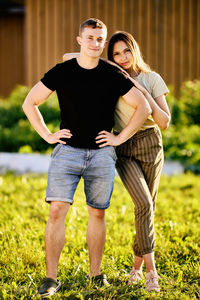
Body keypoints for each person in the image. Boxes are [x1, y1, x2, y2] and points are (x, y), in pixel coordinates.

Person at [22, 19, 151, 297]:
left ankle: (95, 275)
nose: (95, 43)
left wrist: (119, 138)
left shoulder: (112, 74)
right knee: (56, 211)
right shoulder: (62, 71)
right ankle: (50, 278)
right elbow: (29, 102)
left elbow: (143, 106)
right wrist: (47, 135)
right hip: (67, 152)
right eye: (90, 38)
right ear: (79, 40)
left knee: (98, 212)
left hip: (102, 154)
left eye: (100, 39)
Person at [63, 30, 170, 293]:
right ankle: (151, 273)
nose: (122, 58)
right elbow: (67, 56)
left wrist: (142, 91)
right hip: (123, 148)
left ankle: (135, 269)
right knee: (143, 203)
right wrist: (109, 66)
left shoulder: (152, 78)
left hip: (150, 144)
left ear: (135, 50)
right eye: (116, 54)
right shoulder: (110, 76)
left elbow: (164, 122)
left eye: (126, 51)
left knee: (148, 209)